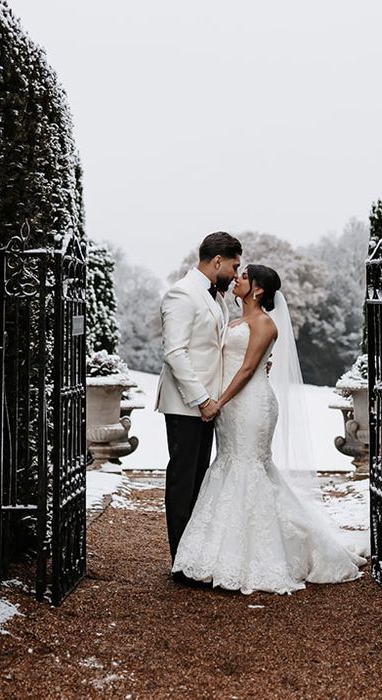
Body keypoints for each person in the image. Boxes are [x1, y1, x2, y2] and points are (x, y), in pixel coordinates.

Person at [172, 264, 366, 593]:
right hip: (232, 407)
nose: (237, 278)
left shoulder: (264, 323)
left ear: (258, 289)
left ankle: (259, 556)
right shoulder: (234, 319)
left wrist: (218, 402)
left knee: (249, 468)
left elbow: (248, 369)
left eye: (244, 277)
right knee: (230, 465)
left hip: (251, 405)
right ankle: (224, 552)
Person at [155, 231, 242, 578]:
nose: (237, 274)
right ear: (218, 261)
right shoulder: (181, 293)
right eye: (234, 266)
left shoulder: (216, 297)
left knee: (198, 483)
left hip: (207, 407)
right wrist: (203, 399)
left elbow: (214, 350)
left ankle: (194, 557)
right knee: (182, 481)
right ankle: (181, 564)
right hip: (186, 405)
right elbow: (174, 353)